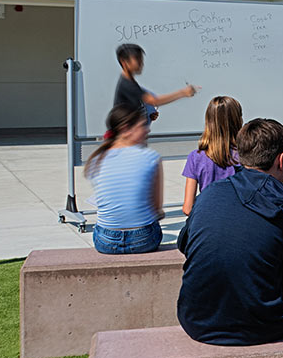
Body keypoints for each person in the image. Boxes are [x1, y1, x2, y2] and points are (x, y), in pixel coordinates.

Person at [176, 117, 283, 344]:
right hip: (262, 324)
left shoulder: (210, 194)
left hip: (195, 320)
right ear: (282, 160)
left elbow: (185, 245)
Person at [85, 104, 166, 254]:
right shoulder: (151, 158)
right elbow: (157, 209)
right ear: (125, 129)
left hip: (105, 241)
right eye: (142, 126)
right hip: (144, 240)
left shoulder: (97, 159)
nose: (147, 129)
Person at [181, 95, 244, 215]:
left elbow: (187, 208)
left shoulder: (195, 157)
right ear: (237, 120)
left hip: (209, 222)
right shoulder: (246, 155)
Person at [113, 42, 197, 129]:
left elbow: (141, 104)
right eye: (137, 59)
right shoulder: (127, 85)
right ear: (124, 62)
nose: (141, 63)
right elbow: (154, 101)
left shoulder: (131, 82)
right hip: (126, 136)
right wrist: (182, 93)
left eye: (141, 59)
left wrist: (148, 114)